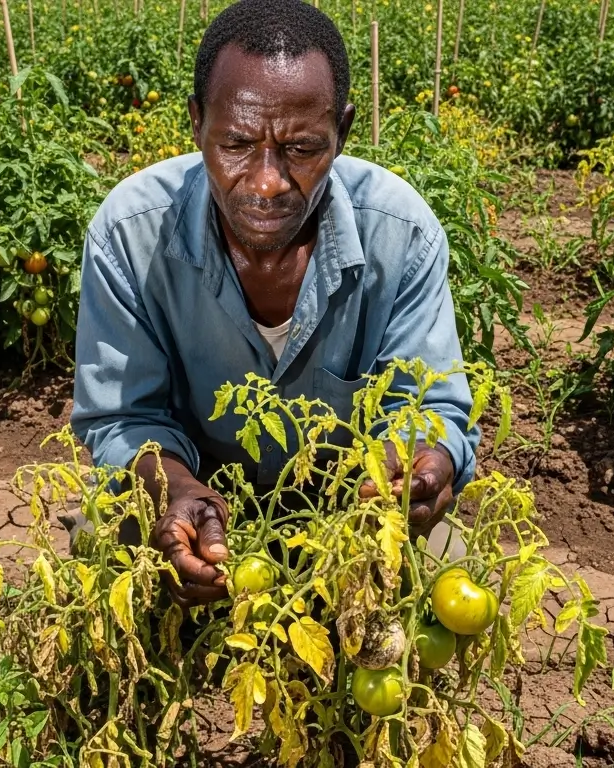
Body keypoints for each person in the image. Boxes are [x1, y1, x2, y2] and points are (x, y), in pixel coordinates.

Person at [70, 0, 478, 606]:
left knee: (449, 568)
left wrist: (419, 464)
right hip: (202, 500)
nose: (266, 182)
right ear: (196, 123)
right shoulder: (131, 233)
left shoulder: (400, 234)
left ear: (342, 131)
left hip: (349, 512)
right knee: (104, 545)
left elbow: (431, 402)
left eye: (302, 148)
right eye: (236, 142)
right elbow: (122, 418)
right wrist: (178, 491)